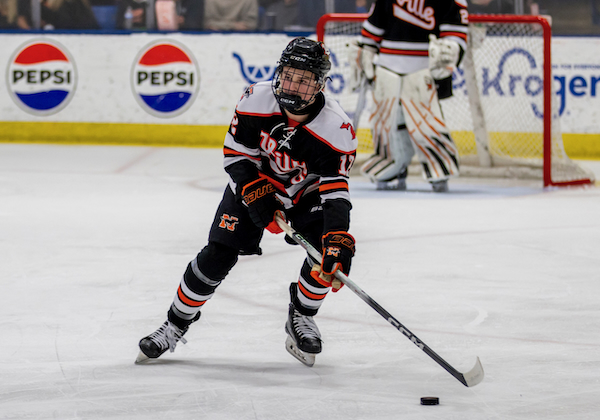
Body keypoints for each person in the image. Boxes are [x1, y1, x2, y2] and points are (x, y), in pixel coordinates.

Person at [136, 37, 357, 367]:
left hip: (304, 194)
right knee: (218, 254)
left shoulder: (337, 128)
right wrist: (257, 195)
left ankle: (302, 315)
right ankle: (174, 324)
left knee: (323, 255)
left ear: (321, 85)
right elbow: (235, 156)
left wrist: (337, 238)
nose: (293, 87)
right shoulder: (256, 98)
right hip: (256, 182)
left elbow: (335, 191)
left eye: (304, 80)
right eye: (289, 76)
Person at [355, 0, 468, 192]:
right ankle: (391, 165)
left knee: (427, 123)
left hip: (423, 69)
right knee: (385, 123)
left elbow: (455, 32)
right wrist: (366, 52)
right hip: (386, 67)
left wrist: (451, 48)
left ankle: (439, 169)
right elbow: (374, 27)